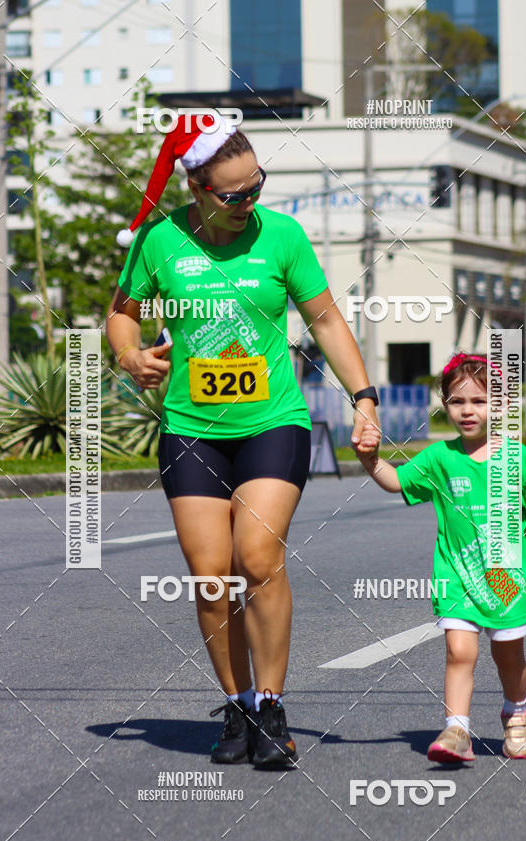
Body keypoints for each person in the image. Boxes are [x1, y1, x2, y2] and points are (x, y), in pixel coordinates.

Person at [106, 114, 380, 767]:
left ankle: (270, 706)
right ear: (196, 189)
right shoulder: (158, 241)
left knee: (256, 558)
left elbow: (325, 319)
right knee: (210, 577)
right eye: (233, 195)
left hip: (272, 421)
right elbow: (122, 312)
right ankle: (235, 707)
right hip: (191, 431)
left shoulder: (281, 235)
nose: (248, 202)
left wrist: (363, 398)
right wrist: (129, 355)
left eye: (257, 185)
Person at [356, 352, 526, 763]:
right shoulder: (440, 457)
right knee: (459, 651)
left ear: (500, 406)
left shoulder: (515, 457)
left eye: (479, 401)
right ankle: (457, 729)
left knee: (508, 653)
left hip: (504, 578)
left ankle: (517, 712)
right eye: (457, 401)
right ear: (445, 405)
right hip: (454, 574)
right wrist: (371, 460)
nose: (467, 410)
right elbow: (396, 481)